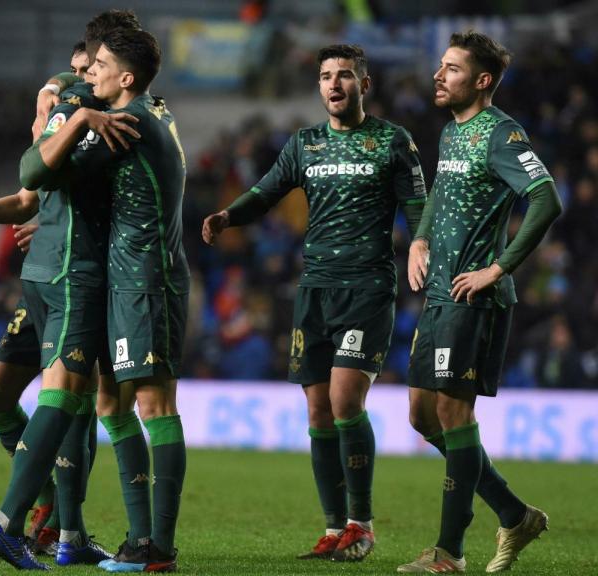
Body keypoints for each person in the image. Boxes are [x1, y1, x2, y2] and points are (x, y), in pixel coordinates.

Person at [202, 44, 428, 562]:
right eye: (326, 76)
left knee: (347, 399)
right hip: (315, 289)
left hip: (367, 288)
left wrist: (420, 243)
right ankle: (333, 527)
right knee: (318, 410)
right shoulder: (304, 144)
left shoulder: (392, 141)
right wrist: (227, 216)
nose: (334, 84)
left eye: (344, 75)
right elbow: (264, 192)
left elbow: (419, 206)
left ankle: (361, 524)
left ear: (363, 85)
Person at [23, 27, 188, 573]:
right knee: (112, 406)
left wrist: (61, 114)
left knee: (154, 406)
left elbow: (36, 169)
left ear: (127, 78)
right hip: (125, 278)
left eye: (99, 64)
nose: (89, 72)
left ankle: (156, 547)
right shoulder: (146, 112)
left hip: (147, 280)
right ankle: (140, 538)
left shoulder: (128, 123)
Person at [398, 30, 559, 573]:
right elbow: (440, 198)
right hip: (439, 295)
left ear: (482, 81)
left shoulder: (501, 133)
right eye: (440, 66)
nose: (439, 75)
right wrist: (419, 238)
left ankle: (449, 552)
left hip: (475, 296)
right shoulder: (450, 134)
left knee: (451, 410)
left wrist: (498, 267)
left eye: (452, 68)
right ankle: (515, 514)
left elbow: (546, 199)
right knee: (423, 417)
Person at [0, 40, 95, 558]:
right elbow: (27, 198)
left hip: (72, 279)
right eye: (74, 70)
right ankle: (49, 500)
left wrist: (49, 227)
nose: (77, 79)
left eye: (86, 70)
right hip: (37, 285)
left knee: (74, 399)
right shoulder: (57, 123)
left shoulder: (91, 126)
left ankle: (63, 524)